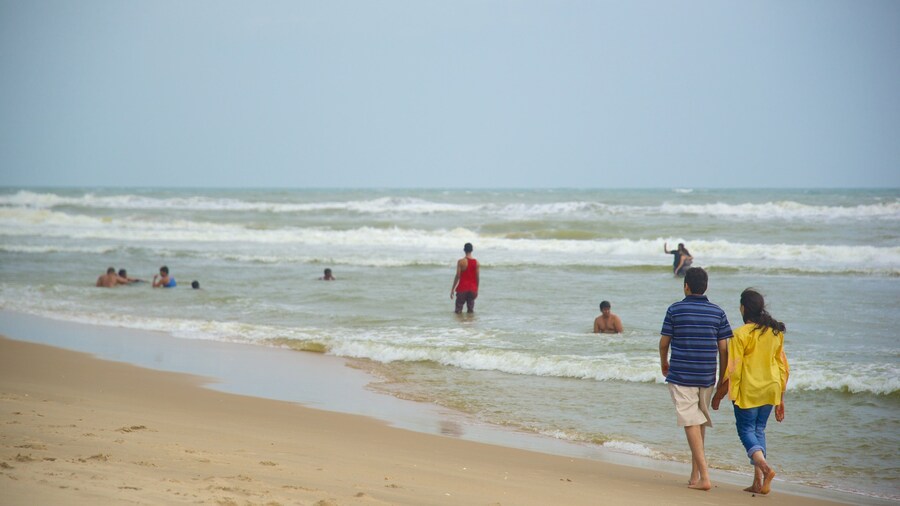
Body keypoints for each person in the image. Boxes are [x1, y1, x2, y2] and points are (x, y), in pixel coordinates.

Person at [658, 267, 732, 491]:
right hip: (706, 375)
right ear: (706, 287)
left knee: (690, 421)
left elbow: (664, 342)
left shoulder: (675, 310)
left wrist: (664, 362)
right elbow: (724, 349)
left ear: (686, 286)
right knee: (697, 420)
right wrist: (722, 378)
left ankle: (705, 477)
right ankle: (695, 475)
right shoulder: (717, 312)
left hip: (681, 374)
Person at [712, 289, 789, 495]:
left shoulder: (739, 334)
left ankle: (765, 469)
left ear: (744, 308)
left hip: (750, 389)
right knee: (759, 430)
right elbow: (783, 366)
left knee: (746, 431)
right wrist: (780, 398)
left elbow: (733, 368)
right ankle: (758, 482)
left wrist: (718, 395)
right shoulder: (775, 332)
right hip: (771, 387)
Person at [450, 243, 479, 314]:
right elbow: (477, 277)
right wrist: (476, 290)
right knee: (470, 311)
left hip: (462, 289)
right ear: (472, 250)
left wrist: (452, 289)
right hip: (472, 289)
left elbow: (458, 276)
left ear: (464, 250)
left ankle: (460, 324)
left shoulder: (461, 262)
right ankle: (469, 324)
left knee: (458, 311)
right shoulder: (477, 262)